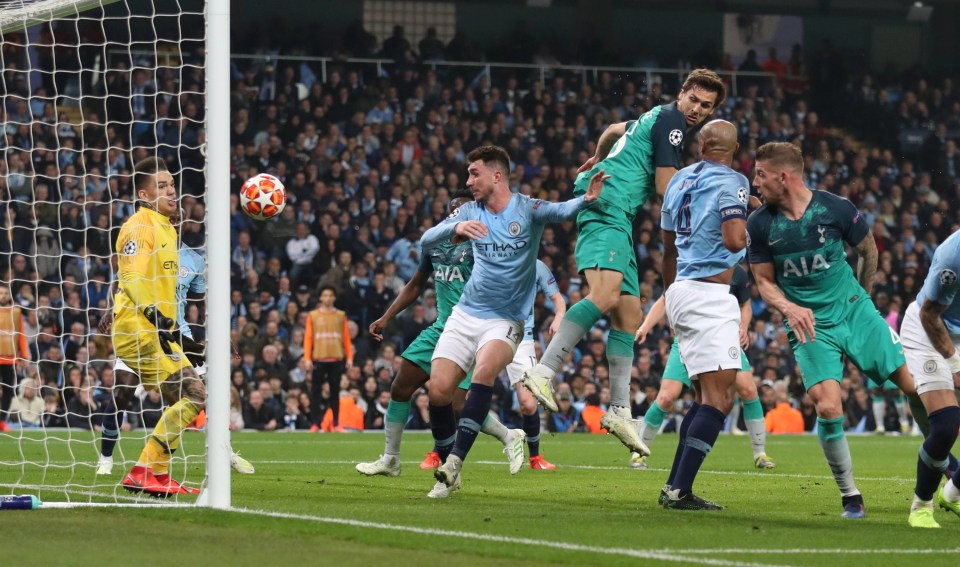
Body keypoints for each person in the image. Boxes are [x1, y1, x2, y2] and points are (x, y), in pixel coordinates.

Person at [522, 69, 726, 456]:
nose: (697, 109)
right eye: (694, 100)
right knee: (605, 295)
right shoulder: (672, 123)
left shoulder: (653, 117)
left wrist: (599, 155)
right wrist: (714, 189)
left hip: (620, 215)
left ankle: (619, 410)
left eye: (707, 106)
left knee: (629, 315)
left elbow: (615, 129)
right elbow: (667, 187)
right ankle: (543, 371)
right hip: (608, 205)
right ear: (681, 94)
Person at [747, 141, 921, 519]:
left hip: (855, 312)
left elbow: (869, 251)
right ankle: (850, 496)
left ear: (783, 176)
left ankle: (942, 461)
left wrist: (863, 297)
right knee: (827, 407)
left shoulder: (836, 209)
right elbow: (763, 281)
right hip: (810, 326)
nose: (754, 181)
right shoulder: (760, 224)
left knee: (915, 387)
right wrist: (790, 307)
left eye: (760, 174)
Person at [424, 145, 605, 498]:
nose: (468, 181)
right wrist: (456, 226)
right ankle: (450, 467)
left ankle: (454, 463)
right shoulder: (469, 210)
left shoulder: (528, 208)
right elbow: (425, 239)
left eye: (474, 173)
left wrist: (587, 198)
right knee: (439, 390)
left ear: (496, 175)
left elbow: (563, 210)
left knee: (482, 374)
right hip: (466, 313)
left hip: (506, 319)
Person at [356, 190, 526, 483]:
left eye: (465, 209)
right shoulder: (435, 245)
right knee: (400, 387)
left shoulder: (484, 245)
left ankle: (504, 438)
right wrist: (386, 317)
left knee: (456, 404)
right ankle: (391, 460)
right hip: (442, 328)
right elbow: (415, 285)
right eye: (454, 211)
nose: (458, 214)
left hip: (473, 330)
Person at [96, 212, 255, 476]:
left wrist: (220, 333)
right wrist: (109, 310)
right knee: (122, 391)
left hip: (177, 334)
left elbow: (201, 304)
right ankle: (106, 457)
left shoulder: (193, 260)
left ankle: (224, 452)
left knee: (209, 395)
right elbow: (125, 279)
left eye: (179, 219)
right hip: (141, 331)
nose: (174, 222)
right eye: (171, 218)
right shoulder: (146, 244)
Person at [658, 120, 749, 510]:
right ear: (735, 148)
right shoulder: (734, 181)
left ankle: (675, 487)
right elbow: (733, 238)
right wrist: (756, 228)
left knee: (700, 396)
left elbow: (666, 249)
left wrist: (670, 301)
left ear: (701, 146)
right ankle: (680, 491)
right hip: (710, 294)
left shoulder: (677, 182)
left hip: (679, 289)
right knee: (720, 398)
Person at [114, 157, 204, 496]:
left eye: (172, 185)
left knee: (188, 397)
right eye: (162, 186)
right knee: (195, 395)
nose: (171, 191)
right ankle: (143, 469)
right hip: (138, 330)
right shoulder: (141, 226)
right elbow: (132, 278)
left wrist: (177, 331)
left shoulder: (166, 227)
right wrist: (154, 315)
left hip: (158, 331)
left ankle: (158, 476)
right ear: (143, 194)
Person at [633, 264, 775, 470]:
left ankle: (760, 453)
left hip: (724, 339)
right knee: (666, 398)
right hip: (687, 340)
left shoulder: (737, 273)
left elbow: (745, 304)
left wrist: (743, 327)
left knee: (748, 389)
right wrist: (645, 326)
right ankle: (639, 452)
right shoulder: (691, 266)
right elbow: (665, 299)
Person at [899, 230, 960, 528]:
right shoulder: (953, 255)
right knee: (947, 425)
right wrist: (955, 364)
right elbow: (930, 315)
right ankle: (921, 505)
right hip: (930, 329)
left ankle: (953, 492)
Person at [304, 286, 354, 432]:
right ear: (320, 298)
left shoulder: (340, 315)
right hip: (319, 358)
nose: (327, 298)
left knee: (335, 392)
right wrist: (307, 358)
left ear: (334, 298)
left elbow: (346, 338)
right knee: (316, 392)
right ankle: (315, 423)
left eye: (330, 295)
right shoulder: (313, 315)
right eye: (324, 295)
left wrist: (349, 357)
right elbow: (308, 338)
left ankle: (336, 423)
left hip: (336, 358)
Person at [0, 284, 29, 432]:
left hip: (10, 359)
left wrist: (24, 355)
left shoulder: (16, 313)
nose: (4, 295)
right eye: (1, 293)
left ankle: (1, 421)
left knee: (9, 391)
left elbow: (21, 335)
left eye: (6, 293)